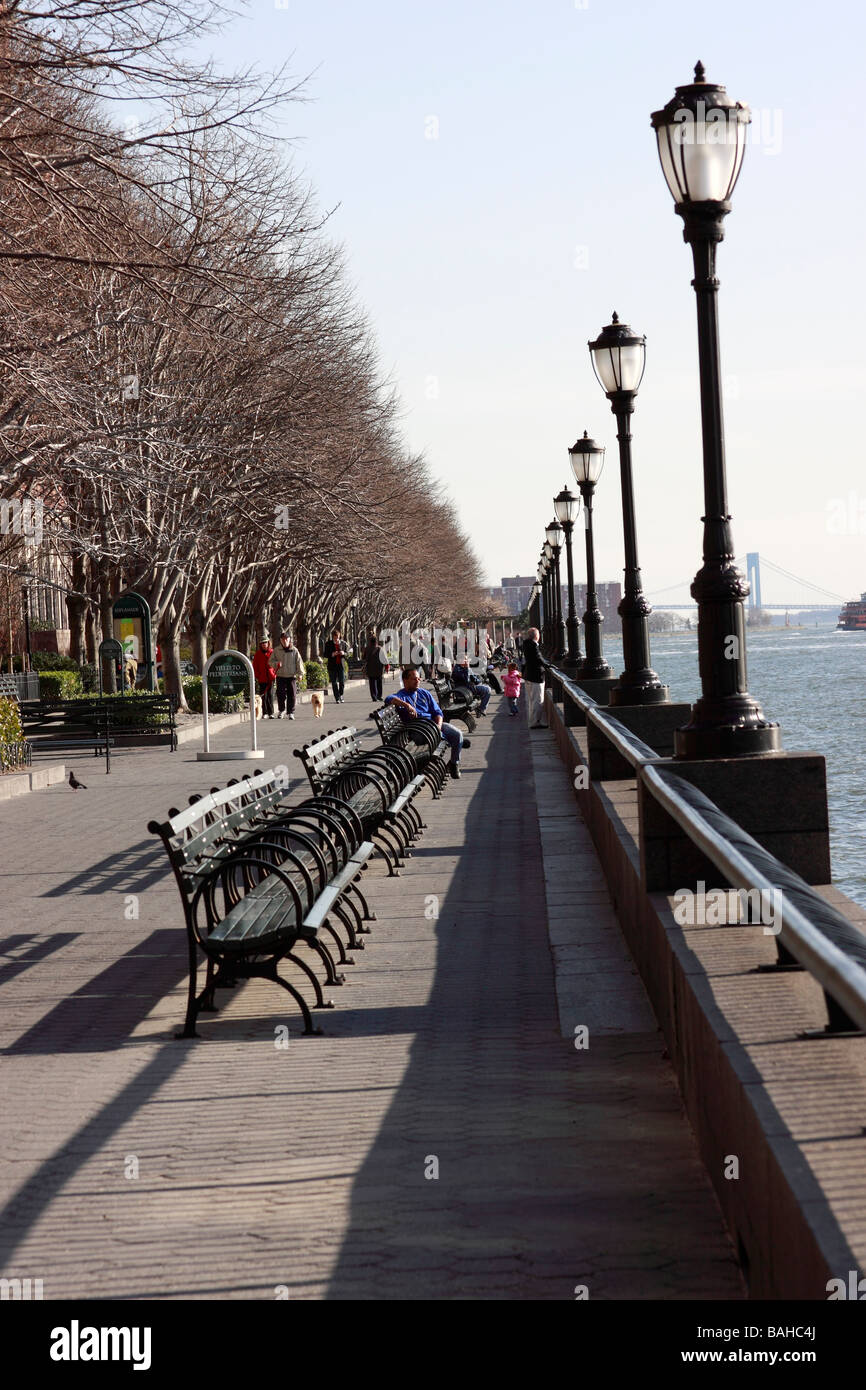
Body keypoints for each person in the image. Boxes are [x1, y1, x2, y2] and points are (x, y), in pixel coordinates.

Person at [384, 666, 469, 779]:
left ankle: (454, 764)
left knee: (457, 734)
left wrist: (438, 725)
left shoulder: (424, 693)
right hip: (419, 730)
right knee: (452, 739)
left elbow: (438, 712)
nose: (417, 681)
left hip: (434, 725)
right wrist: (407, 705)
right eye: (414, 679)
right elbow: (388, 698)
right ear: (405, 680)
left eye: (419, 679)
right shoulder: (402, 695)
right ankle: (451, 741)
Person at [272, 631, 303, 719]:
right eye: (283, 639)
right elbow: (270, 661)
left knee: (292, 695)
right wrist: (276, 664)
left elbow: (299, 662)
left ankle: (291, 712)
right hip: (280, 676)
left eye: (286, 639)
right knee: (280, 695)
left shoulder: (294, 650)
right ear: (280, 640)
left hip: (291, 676)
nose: (285, 640)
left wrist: (300, 674)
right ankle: (281, 710)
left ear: (289, 640)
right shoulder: (276, 650)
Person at [522, 626, 546, 728]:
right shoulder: (533, 645)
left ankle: (532, 721)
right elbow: (538, 657)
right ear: (537, 636)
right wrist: (547, 665)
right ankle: (535, 722)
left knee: (532, 700)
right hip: (536, 676)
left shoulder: (526, 644)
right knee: (537, 700)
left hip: (528, 676)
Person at [252, 635, 277, 718]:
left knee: (270, 695)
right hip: (262, 678)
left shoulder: (273, 653)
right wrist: (257, 675)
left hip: (271, 677)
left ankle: (271, 713)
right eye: (262, 643)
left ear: (268, 643)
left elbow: (277, 665)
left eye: (265, 642)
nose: (264, 644)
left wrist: (274, 674)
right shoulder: (257, 654)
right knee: (263, 696)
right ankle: (265, 712)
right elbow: (255, 666)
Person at [323, 628, 348, 703]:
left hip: (341, 665)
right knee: (334, 682)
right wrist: (332, 654)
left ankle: (341, 695)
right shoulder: (328, 644)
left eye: (337, 637)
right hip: (332, 666)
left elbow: (347, 653)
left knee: (342, 681)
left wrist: (344, 653)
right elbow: (325, 654)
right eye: (335, 637)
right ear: (332, 637)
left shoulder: (343, 643)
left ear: (339, 636)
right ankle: (337, 698)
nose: (336, 638)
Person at [364, 629, 384, 702]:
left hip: (370, 668)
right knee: (379, 683)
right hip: (379, 668)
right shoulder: (380, 648)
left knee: (372, 683)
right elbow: (384, 659)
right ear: (376, 641)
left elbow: (364, 657)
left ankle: (374, 696)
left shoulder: (367, 648)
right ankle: (379, 696)